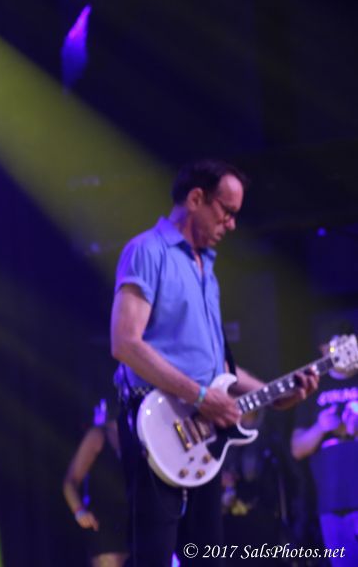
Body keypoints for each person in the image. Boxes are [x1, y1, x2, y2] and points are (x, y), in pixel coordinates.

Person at [109, 159, 319, 566]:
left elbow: (217, 366)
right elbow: (125, 343)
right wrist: (202, 397)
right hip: (155, 421)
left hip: (201, 435)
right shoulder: (148, 250)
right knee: (153, 554)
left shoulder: (207, 269)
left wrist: (272, 393)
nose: (232, 224)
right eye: (227, 211)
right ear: (195, 199)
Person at [291, 338, 358, 566]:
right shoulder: (313, 391)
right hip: (333, 503)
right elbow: (297, 449)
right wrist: (321, 427)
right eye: (336, 346)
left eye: (350, 344)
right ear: (323, 351)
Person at [62, 399, 128, 567]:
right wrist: (79, 511)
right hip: (106, 525)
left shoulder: (137, 437)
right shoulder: (98, 435)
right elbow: (70, 481)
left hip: (134, 523)